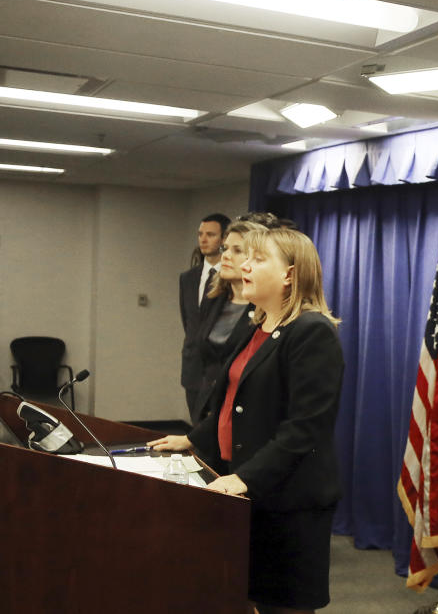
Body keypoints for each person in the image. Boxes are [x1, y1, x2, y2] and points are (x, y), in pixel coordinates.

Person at [151, 228, 344, 613]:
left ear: (289, 274)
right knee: (249, 598)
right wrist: (194, 438)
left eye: (257, 259)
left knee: (281, 605)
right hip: (250, 492)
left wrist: (245, 478)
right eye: (245, 258)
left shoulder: (311, 331)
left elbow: (305, 426)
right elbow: (233, 402)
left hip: (287, 499)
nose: (244, 266)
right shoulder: (260, 326)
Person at [190, 219, 267, 424]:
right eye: (225, 248)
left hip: (242, 415)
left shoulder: (265, 310)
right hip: (206, 409)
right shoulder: (213, 299)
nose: (225, 255)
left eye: (237, 250)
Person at [180, 213, 231, 422]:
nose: (203, 239)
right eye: (200, 234)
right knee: (196, 426)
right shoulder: (188, 278)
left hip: (219, 366)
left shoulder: (231, 278)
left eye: (210, 234)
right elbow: (188, 321)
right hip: (192, 366)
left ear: (223, 239)